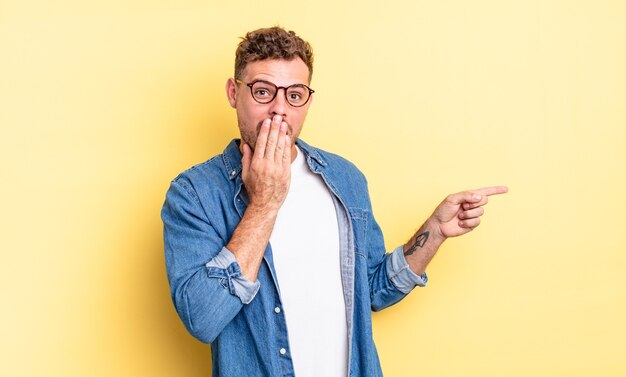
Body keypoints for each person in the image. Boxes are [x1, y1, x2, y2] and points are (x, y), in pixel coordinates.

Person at [161, 26, 507, 377]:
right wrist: (265, 203)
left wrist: (435, 230)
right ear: (234, 93)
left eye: (294, 95)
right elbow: (203, 318)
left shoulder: (345, 179)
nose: (279, 110)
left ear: (307, 101)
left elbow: (372, 290)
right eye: (263, 91)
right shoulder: (194, 194)